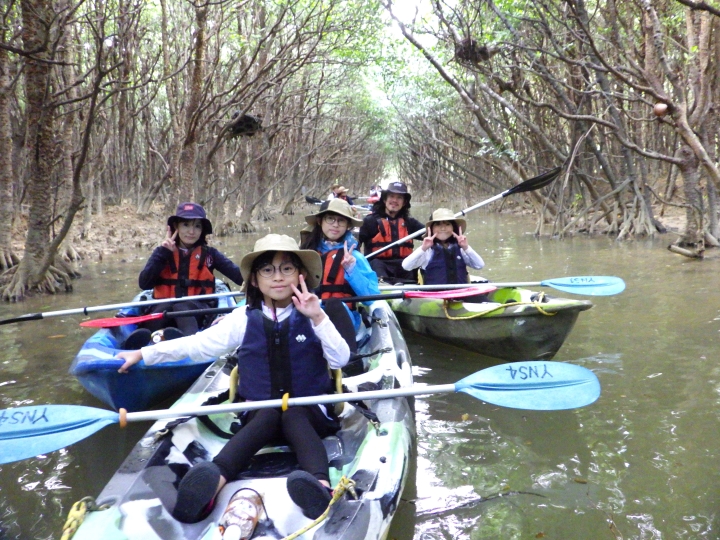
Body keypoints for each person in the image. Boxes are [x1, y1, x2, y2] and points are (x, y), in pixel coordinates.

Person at [116, 234, 350, 523]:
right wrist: (143, 354)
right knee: (267, 414)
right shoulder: (242, 318)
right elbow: (196, 345)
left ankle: (320, 488)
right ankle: (211, 484)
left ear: (300, 274)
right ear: (254, 280)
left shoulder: (316, 314)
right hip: (259, 415)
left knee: (293, 414)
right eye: (267, 270)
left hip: (311, 414)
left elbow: (341, 359)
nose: (277, 277)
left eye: (287, 269)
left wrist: (317, 317)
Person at [124, 202, 244, 349]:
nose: (191, 231)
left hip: (198, 310)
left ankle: (188, 344)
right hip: (165, 309)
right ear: (176, 227)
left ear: (202, 231)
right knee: (167, 306)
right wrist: (163, 253)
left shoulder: (210, 254)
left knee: (181, 306)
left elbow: (240, 278)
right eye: (186, 225)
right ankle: (142, 341)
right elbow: (144, 284)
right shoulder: (162, 252)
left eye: (197, 226)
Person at [301, 199, 379, 347]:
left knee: (334, 306)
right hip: (309, 314)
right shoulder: (305, 254)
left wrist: (352, 270)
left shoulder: (355, 257)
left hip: (343, 318)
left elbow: (371, 297)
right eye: (330, 219)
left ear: (348, 225)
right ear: (320, 221)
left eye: (341, 221)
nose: (335, 225)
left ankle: (349, 357)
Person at [357, 181, 424, 284]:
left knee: (412, 265)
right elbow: (355, 244)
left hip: (404, 267)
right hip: (379, 267)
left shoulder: (410, 223)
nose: (394, 200)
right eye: (391, 196)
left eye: (399, 198)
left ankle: (411, 289)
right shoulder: (370, 221)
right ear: (384, 199)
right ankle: (382, 289)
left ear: (404, 202)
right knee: (376, 264)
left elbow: (432, 235)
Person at [402, 208, 485, 285]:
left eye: (447, 224)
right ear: (431, 229)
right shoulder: (427, 251)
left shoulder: (461, 249)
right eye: (438, 224)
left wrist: (466, 248)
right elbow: (406, 266)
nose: (443, 228)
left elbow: (479, 265)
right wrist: (423, 248)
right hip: (436, 297)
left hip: (460, 294)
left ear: (453, 227)